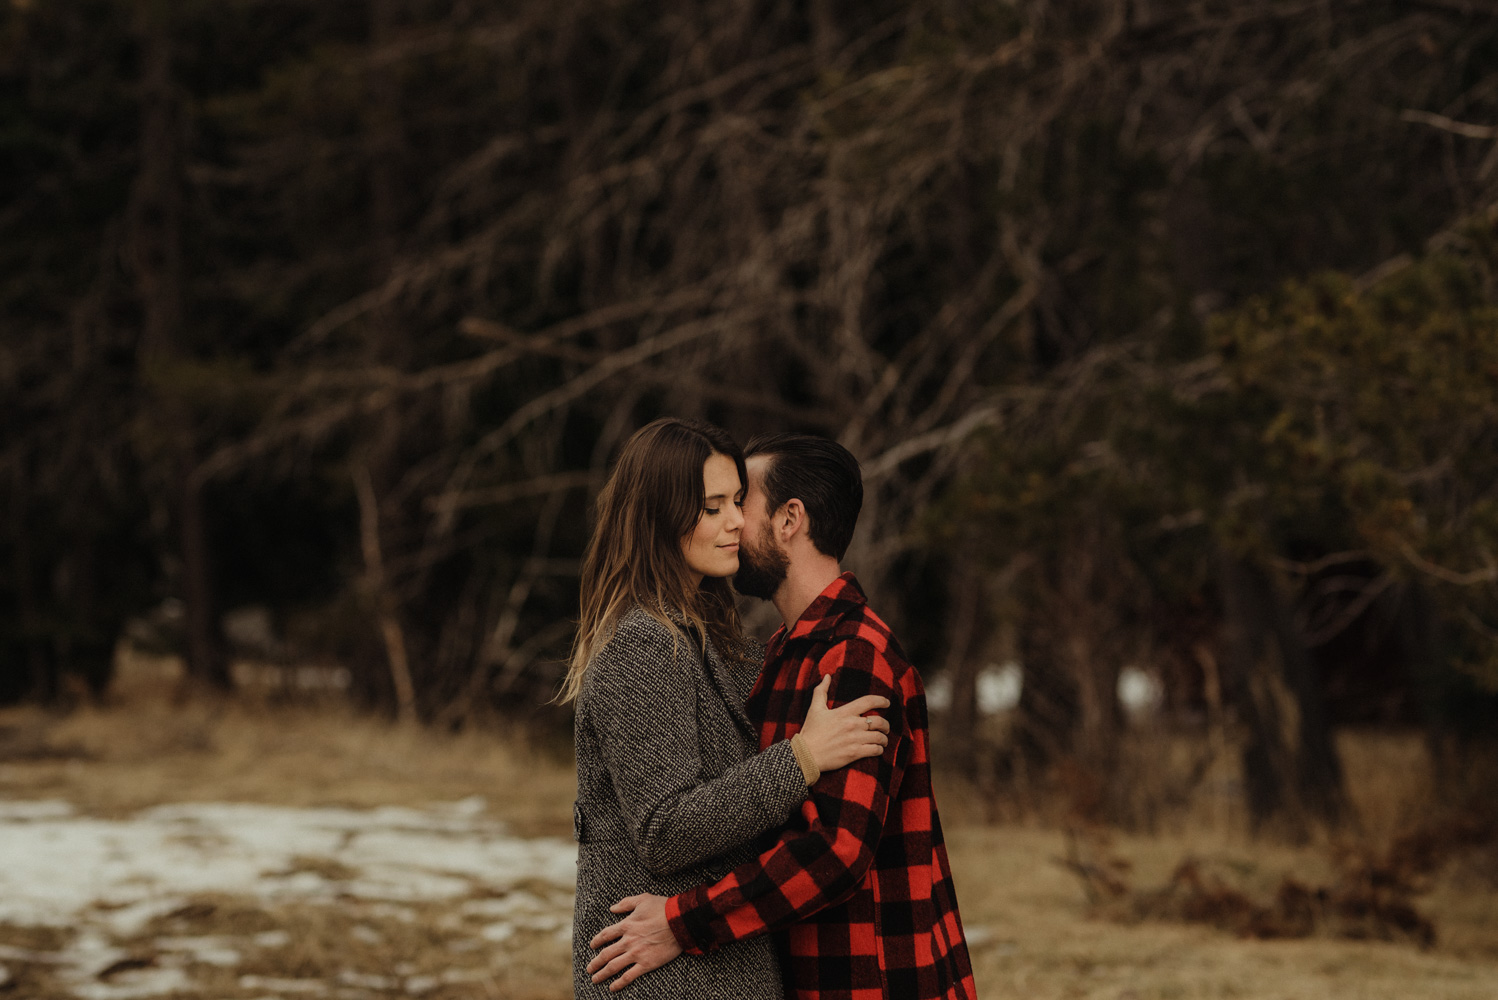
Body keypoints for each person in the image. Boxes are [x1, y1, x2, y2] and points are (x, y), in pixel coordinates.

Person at [586, 433, 978, 999]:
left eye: (741, 503)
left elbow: (836, 850)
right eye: (718, 506)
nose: (733, 522)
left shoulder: (855, 655)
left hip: (876, 977)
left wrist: (683, 922)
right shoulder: (776, 656)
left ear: (790, 519)